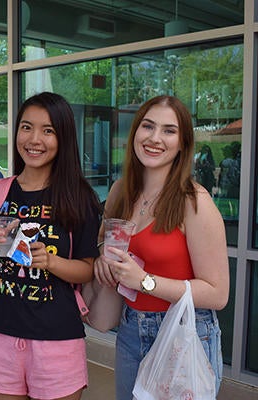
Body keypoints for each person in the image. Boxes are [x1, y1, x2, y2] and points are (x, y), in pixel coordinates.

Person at [93, 95, 229, 399]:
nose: (155, 138)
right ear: (135, 133)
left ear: (182, 143)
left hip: (183, 332)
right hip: (130, 329)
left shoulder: (195, 201)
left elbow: (218, 293)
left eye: (169, 131)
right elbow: (106, 242)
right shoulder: (120, 191)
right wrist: (103, 258)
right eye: (148, 126)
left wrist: (144, 281)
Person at [0, 92, 102, 400]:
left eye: (48, 130)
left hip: (57, 339)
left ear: (63, 138)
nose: (34, 139)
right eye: (27, 127)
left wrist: (50, 261)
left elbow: (87, 270)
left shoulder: (78, 197)